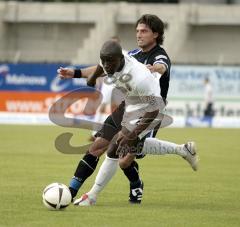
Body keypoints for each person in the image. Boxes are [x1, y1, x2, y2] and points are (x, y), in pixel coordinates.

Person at [57, 14, 198, 206]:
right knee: (100, 144)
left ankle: (93, 195)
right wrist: (76, 73)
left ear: (155, 34)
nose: (139, 34)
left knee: (122, 156)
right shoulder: (131, 54)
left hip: (151, 107)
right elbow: (102, 65)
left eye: (144, 31)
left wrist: (154, 69)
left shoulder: (159, 55)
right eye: (137, 31)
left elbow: (161, 67)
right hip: (129, 104)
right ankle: (70, 191)